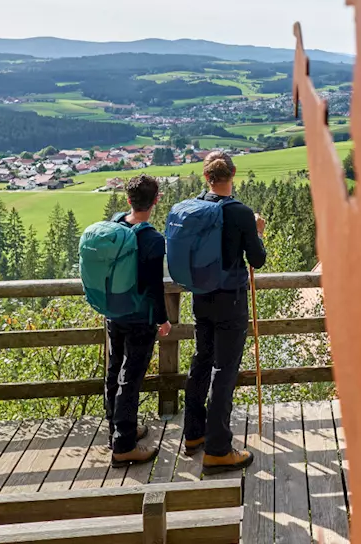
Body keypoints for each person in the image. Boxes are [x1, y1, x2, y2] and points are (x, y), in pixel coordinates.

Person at [183, 151, 266, 474]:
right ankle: (218, 449)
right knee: (225, 368)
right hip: (230, 300)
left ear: (207, 177)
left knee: (202, 359)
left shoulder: (193, 210)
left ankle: (193, 434)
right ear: (233, 175)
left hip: (201, 297)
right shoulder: (241, 213)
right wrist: (257, 231)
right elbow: (256, 260)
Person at [102, 175, 171, 467]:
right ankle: (124, 445)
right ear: (156, 200)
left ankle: (118, 429)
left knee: (114, 369)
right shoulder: (153, 239)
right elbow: (155, 287)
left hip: (113, 311)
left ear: (128, 200)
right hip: (139, 317)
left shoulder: (115, 225)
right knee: (130, 379)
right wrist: (163, 320)